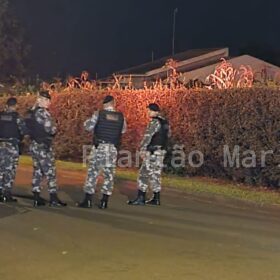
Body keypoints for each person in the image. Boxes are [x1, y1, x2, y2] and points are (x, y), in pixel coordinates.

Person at [77, 95, 126, 209]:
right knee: (109, 175)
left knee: (93, 173)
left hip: (99, 147)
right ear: (114, 103)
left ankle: (88, 200)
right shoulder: (120, 117)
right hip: (112, 149)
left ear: (104, 104)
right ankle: (104, 201)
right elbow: (123, 130)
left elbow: (87, 126)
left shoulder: (99, 114)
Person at [26, 90, 67, 207]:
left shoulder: (31, 112)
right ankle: (53, 198)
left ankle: (36, 196)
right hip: (43, 146)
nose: (49, 103)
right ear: (42, 100)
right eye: (47, 100)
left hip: (34, 144)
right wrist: (55, 127)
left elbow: (26, 127)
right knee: (50, 171)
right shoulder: (43, 113)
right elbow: (50, 129)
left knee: (38, 171)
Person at [128, 103, 170, 206]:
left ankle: (141, 198)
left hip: (152, 152)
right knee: (155, 175)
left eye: (149, 111)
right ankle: (156, 198)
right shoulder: (165, 123)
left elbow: (147, 137)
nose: (148, 113)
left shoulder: (154, 122)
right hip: (161, 152)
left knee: (143, 174)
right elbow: (167, 136)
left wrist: (142, 149)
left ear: (155, 111)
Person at [0, 97, 28, 202]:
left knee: (1, 169)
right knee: (10, 170)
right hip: (11, 146)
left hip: (0, 145)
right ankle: (6, 194)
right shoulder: (17, 117)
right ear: (15, 105)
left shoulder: (1, 115)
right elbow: (24, 131)